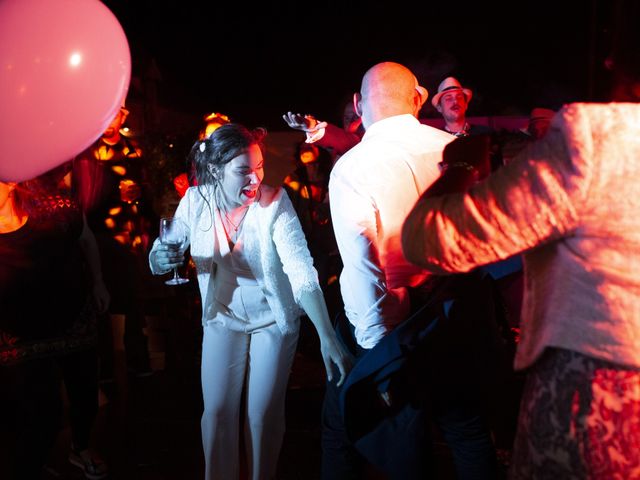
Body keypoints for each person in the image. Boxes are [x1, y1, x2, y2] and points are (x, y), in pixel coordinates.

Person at [402, 56, 640, 478]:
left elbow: (434, 239)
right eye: (448, 95)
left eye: (460, 94)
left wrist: (460, 166)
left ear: (612, 57)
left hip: (599, 399)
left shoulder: (592, 140)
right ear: (435, 104)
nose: (455, 100)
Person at [148, 123, 351, 480]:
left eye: (258, 168)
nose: (255, 179)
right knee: (217, 413)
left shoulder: (275, 202)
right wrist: (158, 259)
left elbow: (301, 270)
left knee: (261, 416)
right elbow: (168, 244)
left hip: (272, 321)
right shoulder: (196, 201)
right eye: (243, 171)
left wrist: (326, 336)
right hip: (222, 318)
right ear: (214, 171)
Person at [324, 61, 496, 479]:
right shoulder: (453, 150)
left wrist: (375, 347)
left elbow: (364, 266)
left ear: (357, 105)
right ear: (419, 99)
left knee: (344, 429)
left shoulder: (351, 167)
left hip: (396, 328)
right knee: (467, 431)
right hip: (455, 315)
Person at [0, 170, 110, 480]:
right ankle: (34, 461)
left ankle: (82, 447)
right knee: (37, 408)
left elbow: (86, 239)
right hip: (19, 329)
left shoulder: (56, 207)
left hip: (71, 314)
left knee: (85, 390)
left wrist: (99, 282)